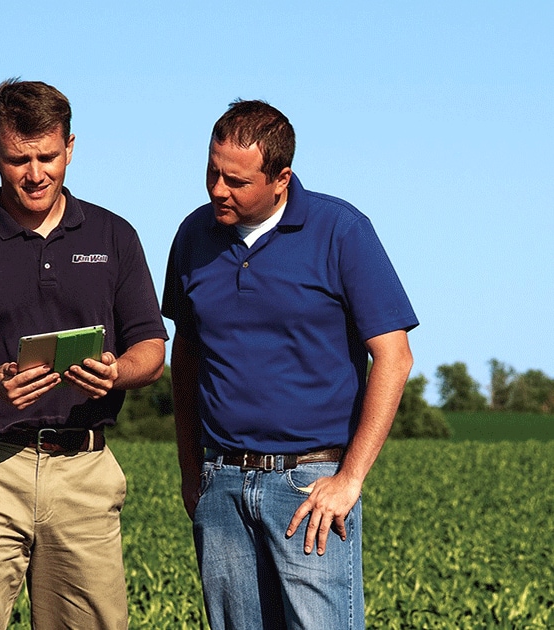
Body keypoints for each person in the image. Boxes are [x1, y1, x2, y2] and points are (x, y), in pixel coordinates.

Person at [0, 78, 167, 630]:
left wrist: (116, 373)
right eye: (19, 159)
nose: (36, 173)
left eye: (48, 156)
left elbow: (150, 349)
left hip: (85, 471)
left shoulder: (115, 235)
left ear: (71, 148)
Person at [163, 100, 418, 629]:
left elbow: (394, 356)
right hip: (223, 484)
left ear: (281, 178)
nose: (217, 189)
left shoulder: (341, 230)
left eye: (235, 180)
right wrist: (192, 471)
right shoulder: (193, 236)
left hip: (310, 486)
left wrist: (350, 478)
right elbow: (184, 360)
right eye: (212, 171)